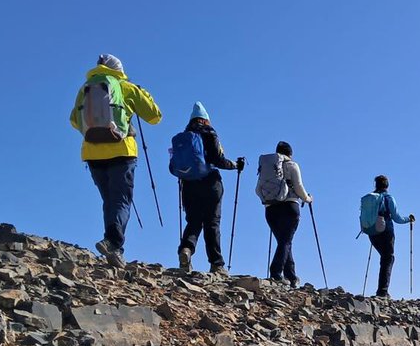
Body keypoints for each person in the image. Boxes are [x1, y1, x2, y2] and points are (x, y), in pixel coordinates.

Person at [69, 54, 162, 267]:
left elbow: (74, 120)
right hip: (122, 150)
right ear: (118, 69)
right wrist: (143, 95)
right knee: (121, 200)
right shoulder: (125, 87)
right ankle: (113, 243)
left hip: (92, 152)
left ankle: (112, 246)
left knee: (109, 200)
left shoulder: (84, 88)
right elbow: (155, 117)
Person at [171, 102, 243, 275]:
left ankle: (186, 250)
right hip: (211, 183)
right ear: (206, 120)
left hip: (188, 184)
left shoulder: (184, 137)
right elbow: (219, 160)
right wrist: (235, 165)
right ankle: (217, 264)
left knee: (194, 220)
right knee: (212, 223)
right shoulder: (209, 133)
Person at [256, 141, 312, 286]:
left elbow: (257, 189)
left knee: (284, 242)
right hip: (289, 207)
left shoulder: (268, 167)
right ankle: (275, 273)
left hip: (270, 208)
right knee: (285, 241)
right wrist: (308, 199)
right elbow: (299, 187)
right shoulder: (292, 165)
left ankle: (291, 276)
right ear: (290, 154)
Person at [359, 176, 414, 298]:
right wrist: (408, 219)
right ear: (387, 186)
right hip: (385, 230)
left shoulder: (370, 198)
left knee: (385, 258)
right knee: (388, 258)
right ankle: (382, 291)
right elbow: (397, 218)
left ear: (375, 185)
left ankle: (382, 290)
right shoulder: (388, 198)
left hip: (371, 231)